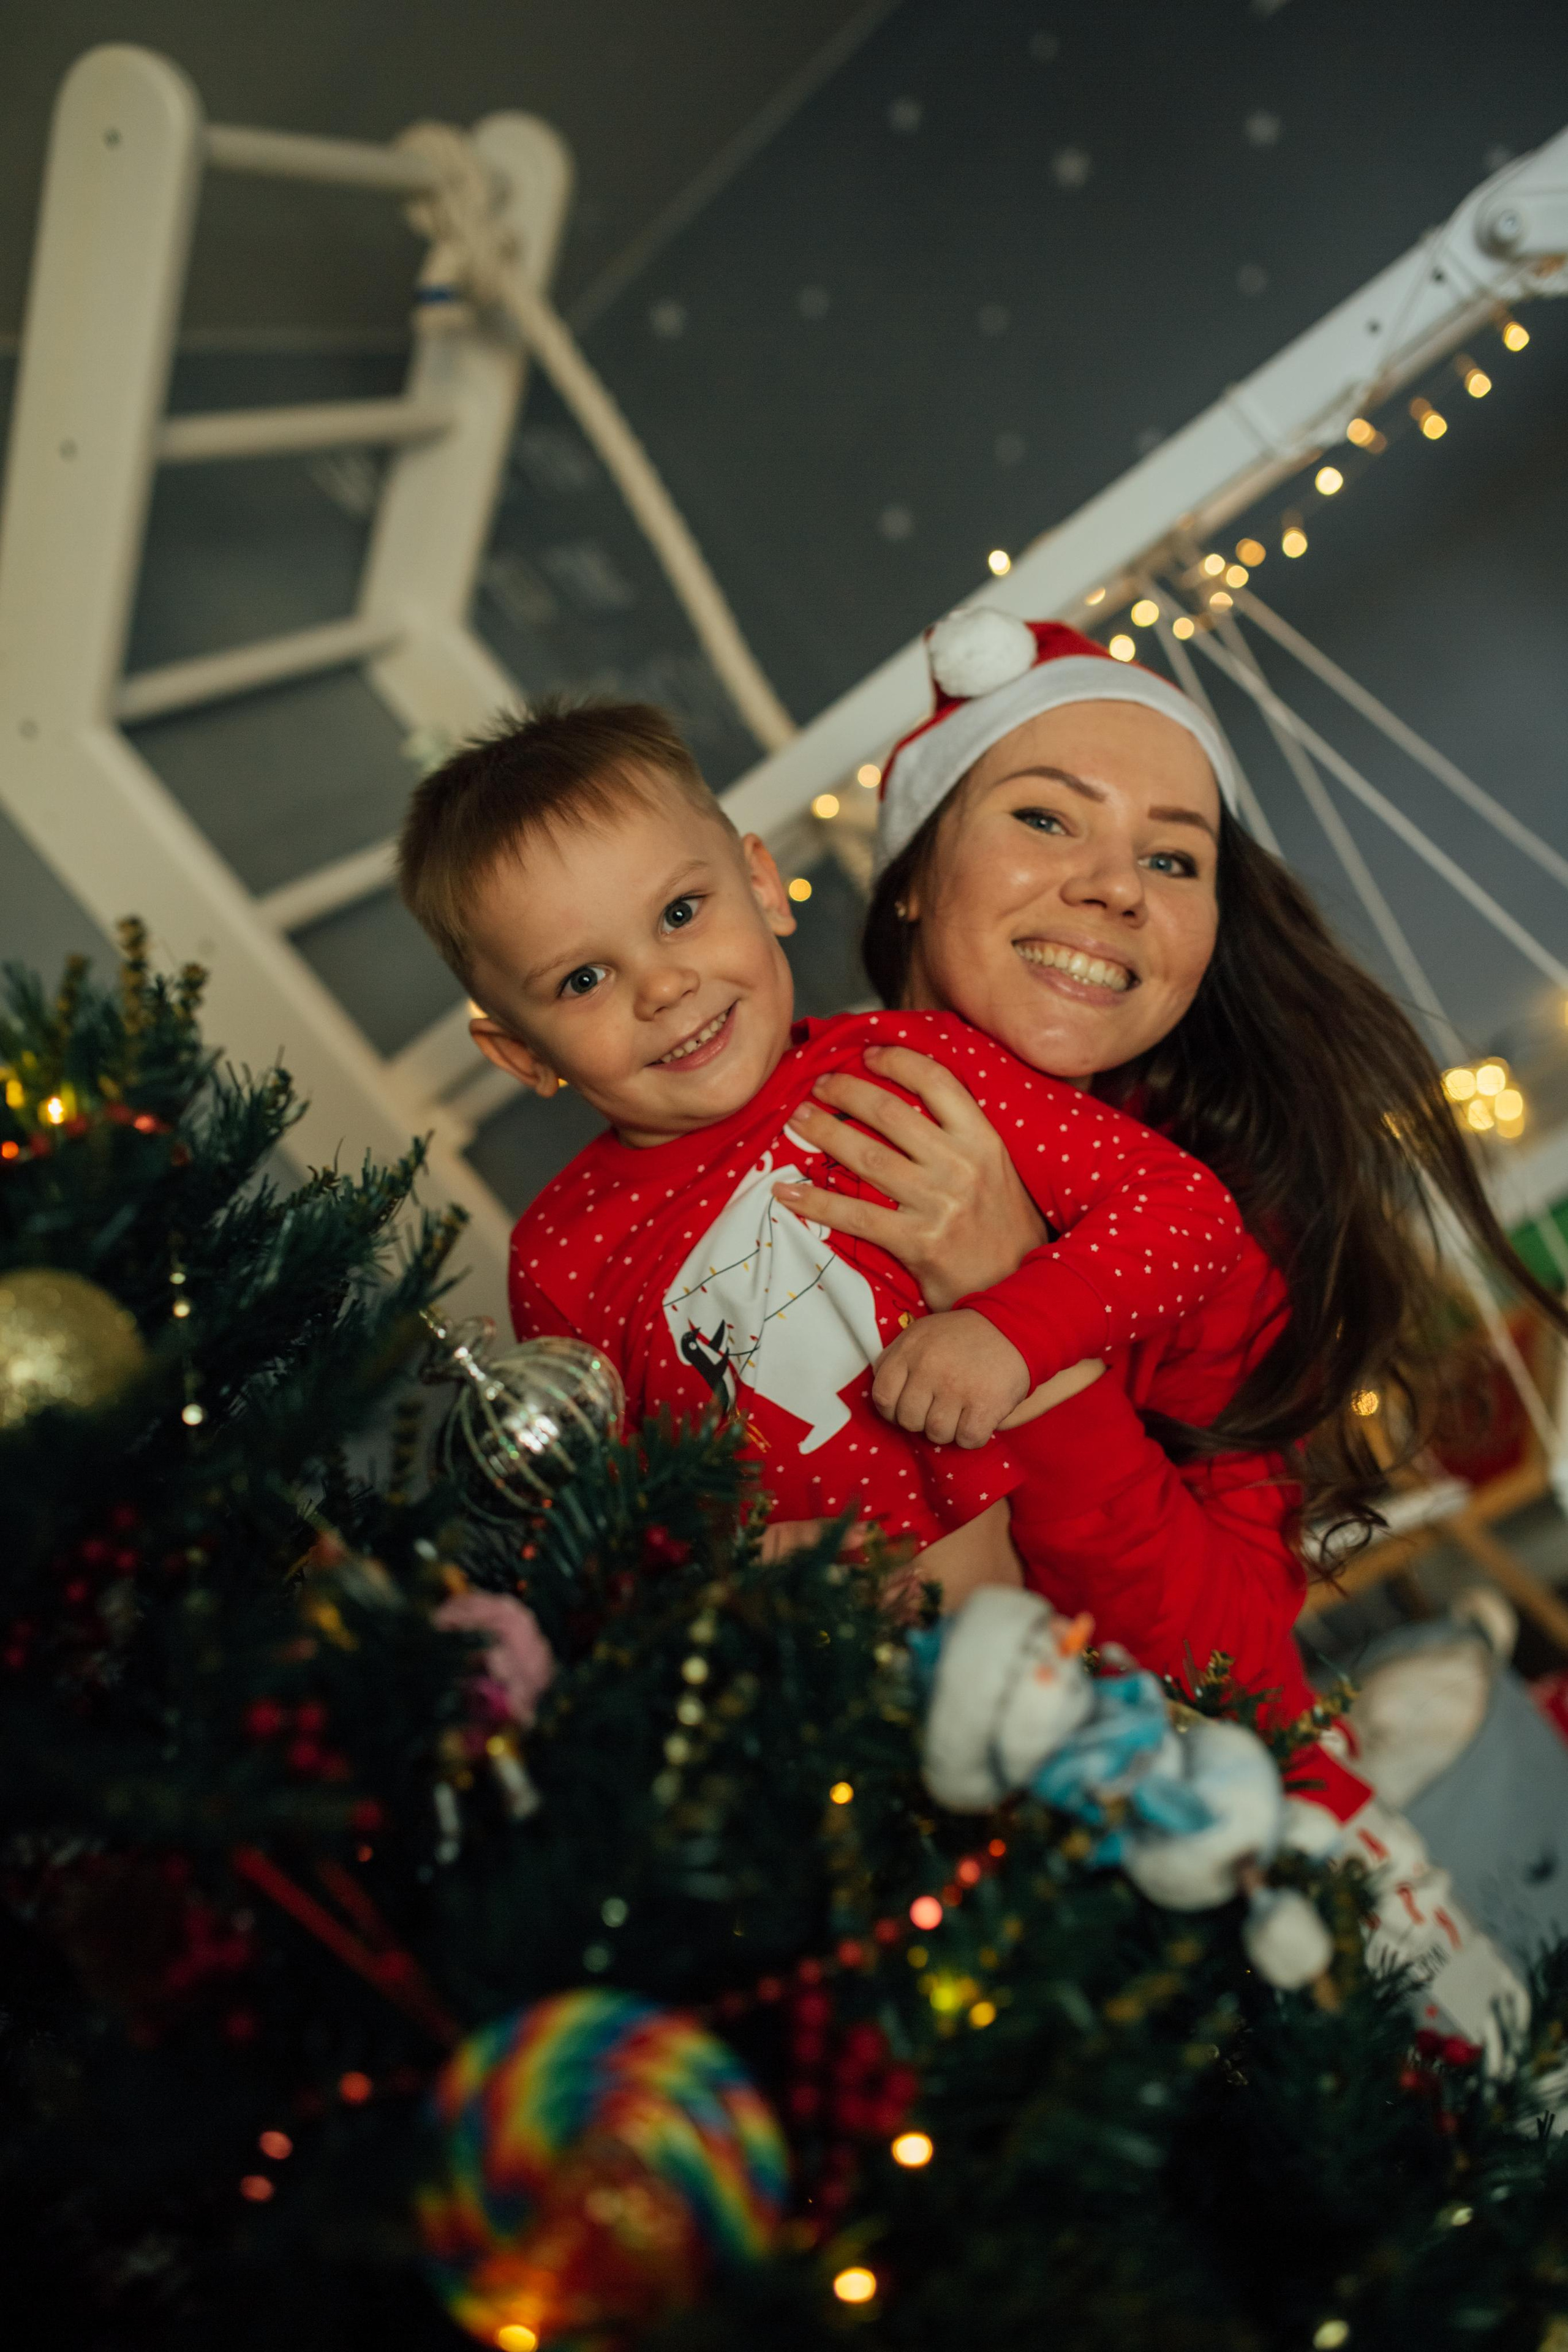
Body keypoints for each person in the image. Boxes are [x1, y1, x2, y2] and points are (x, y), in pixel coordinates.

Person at [767, 603, 1566, 2047]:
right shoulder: (761, 1169)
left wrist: (1026, 1323)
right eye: (1044, 818)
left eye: (1170, 857)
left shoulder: (1211, 1237)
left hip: (1273, 1941)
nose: (1114, 887)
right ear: (906, 878)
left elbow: (1236, 1676)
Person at [396, 698, 1251, 1608]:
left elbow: (1185, 1214)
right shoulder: (563, 1259)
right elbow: (598, 1510)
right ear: (524, 1054)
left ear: (763, 884)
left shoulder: (915, 1064)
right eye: (582, 980)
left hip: (1066, 1625)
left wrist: (1013, 1329)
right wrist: (703, 1569)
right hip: (817, 1684)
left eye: (681, 912)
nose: (663, 984)